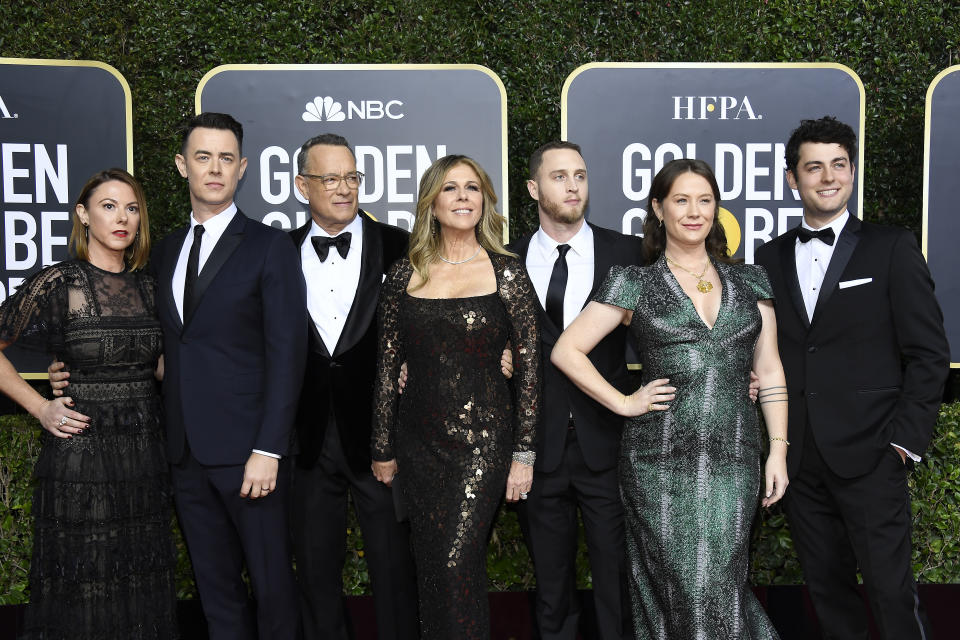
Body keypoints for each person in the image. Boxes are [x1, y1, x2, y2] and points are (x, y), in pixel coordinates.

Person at [552, 158, 789, 639]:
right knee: (682, 589)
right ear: (659, 208)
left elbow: (768, 370)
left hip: (734, 459)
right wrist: (623, 402)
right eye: (681, 200)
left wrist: (779, 449)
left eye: (705, 200)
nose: (694, 211)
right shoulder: (632, 282)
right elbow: (566, 350)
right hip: (658, 462)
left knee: (718, 584)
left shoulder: (751, 282)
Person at [754, 116, 948, 639]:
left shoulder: (891, 247)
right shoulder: (768, 257)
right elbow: (769, 349)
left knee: (891, 593)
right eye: (813, 167)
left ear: (852, 172)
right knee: (828, 594)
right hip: (799, 456)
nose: (828, 177)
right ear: (792, 178)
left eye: (839, 165)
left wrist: (904, 443)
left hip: (873, 455)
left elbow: (929, 354)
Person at [0, 169, 178, 638]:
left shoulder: (150, 287)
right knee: (88, 578)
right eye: (108, 206)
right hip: (83, 455)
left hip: (144, 454)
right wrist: (40, 407)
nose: (123, 218)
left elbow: (163, 368)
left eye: (132, 208)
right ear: (83, 215)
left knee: (139, 578)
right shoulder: (60, 284)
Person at [371, 154, 541, 639]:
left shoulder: (508, 272)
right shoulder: (405, 274)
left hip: (483, 444)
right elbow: (387, 366)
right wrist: (381, 447)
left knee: (455, 561)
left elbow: (529, 370)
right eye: (451, 188)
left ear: (484, 199)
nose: (463, 197)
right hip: (418, 443)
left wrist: (523, 453)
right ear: (432, 202)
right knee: (433, 568)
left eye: (472, 187)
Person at [152, 112, 306, 639]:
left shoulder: (270, 246)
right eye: (202, 157)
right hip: (185, 453)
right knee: (215, 592)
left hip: (250, 455)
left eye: (225, 158)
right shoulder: (166, 250)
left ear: (241, 169)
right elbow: (171, 341)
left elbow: (289, 356)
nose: (214, 169)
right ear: (182, 166)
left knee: (272, 589)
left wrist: (269, 449)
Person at [287, 133, 419, 640]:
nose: (343, 189)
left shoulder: (401, 245)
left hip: (384, 437)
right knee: (316, 572)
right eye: (329, 178)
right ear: (303, 185)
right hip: (308, 435)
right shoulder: (278, 252)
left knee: (394, 569)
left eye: (351, 177)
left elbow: (435, 322)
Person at [510, 140, 642, 640]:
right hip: (535, 450)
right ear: (533, 188)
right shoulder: (505, 259)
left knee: (618, 580)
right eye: (559, 176)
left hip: (610, 442)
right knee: (551, 586)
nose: (572, 186)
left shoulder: (628, 253)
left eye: (580, 176)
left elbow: (665, 333)